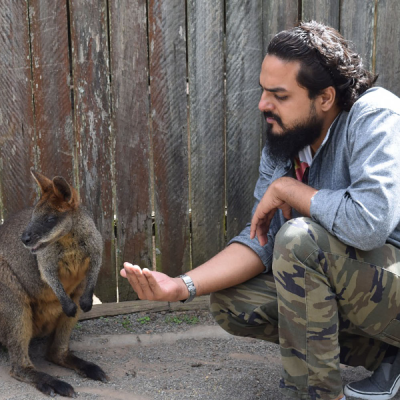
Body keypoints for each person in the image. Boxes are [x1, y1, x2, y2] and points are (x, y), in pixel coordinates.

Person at [120, 21, 400, 400]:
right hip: (369, 290)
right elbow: (262, 240)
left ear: (325, 97)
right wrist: (180, 286)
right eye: (263, 91)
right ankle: (390, 358)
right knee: (234, 302)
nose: (263, 104)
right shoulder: (285, 140)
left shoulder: (375, 115)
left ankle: (314, 394)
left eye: (279, 95)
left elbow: (369, 223)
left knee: (301, 239)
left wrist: (289, 189)